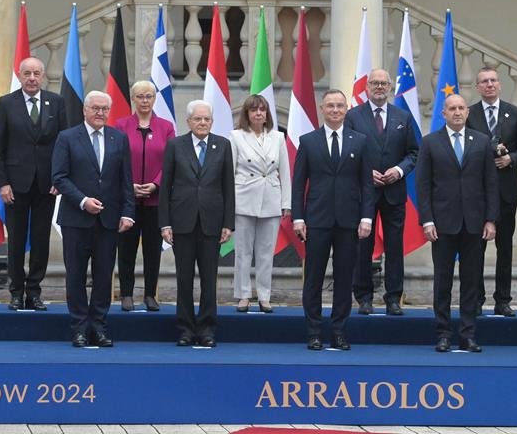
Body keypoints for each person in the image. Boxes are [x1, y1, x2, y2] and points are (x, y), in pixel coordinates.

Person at [292, 89, 376, 351]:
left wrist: (367, 217)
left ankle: (339, 331)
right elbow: (298, 185)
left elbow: (366, 184)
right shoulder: (308, 141)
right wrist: (297, 218)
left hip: (349, 221)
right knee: (314, 278)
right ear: (322, 108)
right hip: (316, 219)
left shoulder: (360, 141)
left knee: (343, 279)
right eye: (330, 106)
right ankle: (314, 331)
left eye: (340, 106)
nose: (336, 110)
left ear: (346, 110)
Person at [52, 91, 135, 348]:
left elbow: (126, 180)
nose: (100, 113)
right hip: (76, 220)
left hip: (108, 222)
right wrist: (83, 201)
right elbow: (59, 177)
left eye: (104, 109)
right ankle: (78, 327)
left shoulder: (118, 138)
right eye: (95, 108)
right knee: (75, 275)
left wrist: (128, 213)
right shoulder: (67, 137)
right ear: (85, 110)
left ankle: (98, 327)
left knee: (103, 277)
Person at [417, 94, 498, 353]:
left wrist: (491, 219)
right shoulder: (430, 143)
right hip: (442, 223)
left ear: (467, 112)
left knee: (471, 280)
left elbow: (491, 184)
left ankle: (467, 334)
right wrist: (427, 220)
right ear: (444, 114)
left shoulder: (482, 142)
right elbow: (423, 185)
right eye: (452, 109)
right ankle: (442, 333)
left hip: (474, 223)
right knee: (443, 281)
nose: (457, 112)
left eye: (462, 108)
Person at [0, 56, 68, 311]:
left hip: (47, 185)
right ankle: (16, 291)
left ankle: (34, 291)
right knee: (15, 240)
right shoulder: (7, 104)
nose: (32, 78)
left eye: (36, 73)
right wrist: (2, 183)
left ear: (43, 75)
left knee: (40, 240)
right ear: (20, 75)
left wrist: (60, 178)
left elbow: (64, 145)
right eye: (27, 73)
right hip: (15, 185)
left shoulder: (56, 103)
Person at [159, 100, 235, 348]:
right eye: (198, 119)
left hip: (212, 223)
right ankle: (184, 329)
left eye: (207, 119)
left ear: (212, 122)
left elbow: (228, 187)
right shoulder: (175, 145)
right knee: (184, 279)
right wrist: (165, 223)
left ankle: (207, 329)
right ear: (189, 121)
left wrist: (228, 223)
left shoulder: (222, 145)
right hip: (181, 222)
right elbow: (165, 187)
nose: (202, 123)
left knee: (209, 281)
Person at [345, 68, 418, 316]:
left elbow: (414, 153)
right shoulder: (353, 116)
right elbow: (347, 152)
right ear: (366, 88)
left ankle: (393, 298)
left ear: (390, 88)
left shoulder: (403, 117)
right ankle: (363, 297)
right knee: (362, 246)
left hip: (394, 192)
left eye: (383, 83)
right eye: (374, 83)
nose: (379, 87)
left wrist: (399, 170)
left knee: (394, 247)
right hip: (363, 193)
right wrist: (365, 173)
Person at [466, 66, 517, 317]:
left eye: (493, 80)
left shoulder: (514, 113)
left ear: (500, 85)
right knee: (476, 248)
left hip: (506, 191)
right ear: (478, 87)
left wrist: (510, 159)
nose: (490, 85)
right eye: (484, 81)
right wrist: (490, 151)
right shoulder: (469, 114)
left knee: (505, 247)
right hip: (478, 192)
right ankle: (477, 298)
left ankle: (503, 299)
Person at [115, 80, 176, 312]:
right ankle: (127, 294)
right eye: (140, 96)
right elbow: (116, 159)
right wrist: (128, 185)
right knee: (126, 248)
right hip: (127, 199)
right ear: (133, 98)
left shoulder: (166, 127)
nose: (144, 101)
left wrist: (155, 184)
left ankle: (150, 293)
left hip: (155, 199)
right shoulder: (121, 125)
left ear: (154, 99)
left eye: (149, 96)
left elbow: (171, 162)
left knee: (152, 249)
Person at [230, 95, 291, 313]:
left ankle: (264, 296)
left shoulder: (278, 137)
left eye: (262, 110)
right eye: (254, 110)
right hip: (244, 197)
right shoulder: (236, 137)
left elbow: (284, 172)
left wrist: (286, 203)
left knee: (266, 252)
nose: (258, 114)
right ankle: (243, 295)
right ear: (246, 114)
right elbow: (230, 172)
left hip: (271, 198)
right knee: (243, 252)